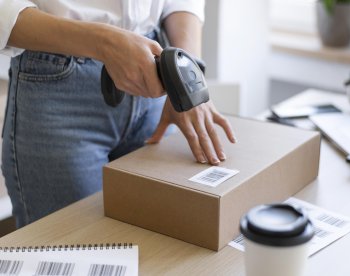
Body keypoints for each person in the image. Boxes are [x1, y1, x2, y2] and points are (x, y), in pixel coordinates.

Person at [0, 0, 236, 228]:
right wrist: (104, 43)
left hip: (155, 74)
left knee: (159, 248)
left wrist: (187, 73)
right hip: (58, 87)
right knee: (74, 253)